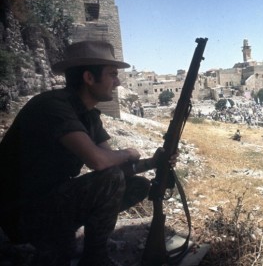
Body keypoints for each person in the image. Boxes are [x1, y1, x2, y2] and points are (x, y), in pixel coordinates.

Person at [0, 41, 178, 266]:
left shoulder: (89, 116)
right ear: (89, 78)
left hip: (49, 203)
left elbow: (115, 166)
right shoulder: (53, 106)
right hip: (20, 214)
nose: (118, 82)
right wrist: (128, 152)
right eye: (112, 74)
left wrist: (153, 162)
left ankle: (63, 240)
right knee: (111, 178)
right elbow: (99, 161)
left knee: (137, 185)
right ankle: (95, 258)